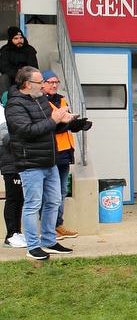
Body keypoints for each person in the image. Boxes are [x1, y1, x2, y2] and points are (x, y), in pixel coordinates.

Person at [6, 66, 77, 261]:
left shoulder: (40, 101)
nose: (44, 85)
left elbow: (50, 128)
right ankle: (33, 246)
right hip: (30, 163)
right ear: (28, 84)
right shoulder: (14, 105)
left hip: (50, 160)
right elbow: (27, 131)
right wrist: (54, 119)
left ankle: (49, 240)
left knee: (53, 201)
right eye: (40, 82)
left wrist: (66, 122)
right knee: (32, 205)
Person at [41, 70, 90, 241]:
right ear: (42, 84)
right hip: (52, 150)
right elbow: (51, 124)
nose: (54, 85)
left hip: (65, 150)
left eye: (56, 82)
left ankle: (58, 224)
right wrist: (66, 124)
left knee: (62, 191)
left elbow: (65, 121)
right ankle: (49, 228)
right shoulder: (41, 102)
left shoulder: (61, 99)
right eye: (50, 82)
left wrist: (74, 125)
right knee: (51, 193)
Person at [0, 103, 25, 248]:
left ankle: (17, 232)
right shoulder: (4, 119)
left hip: (18, 164)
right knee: (12, 199)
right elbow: (8, 141)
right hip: (10, 165)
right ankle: (10, 235)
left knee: (19, 199)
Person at [0, 28, 38, 96]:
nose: (19, 40)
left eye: (21, 38)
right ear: (11, 39)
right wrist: (17, 74)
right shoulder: (5, 50)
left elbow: (33, 67)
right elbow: (4, 67)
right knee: (4, 78)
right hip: (12, 77)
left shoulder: (29, 50)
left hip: (27, 77)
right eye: (16, 38)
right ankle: (5, 101)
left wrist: (23, 74)